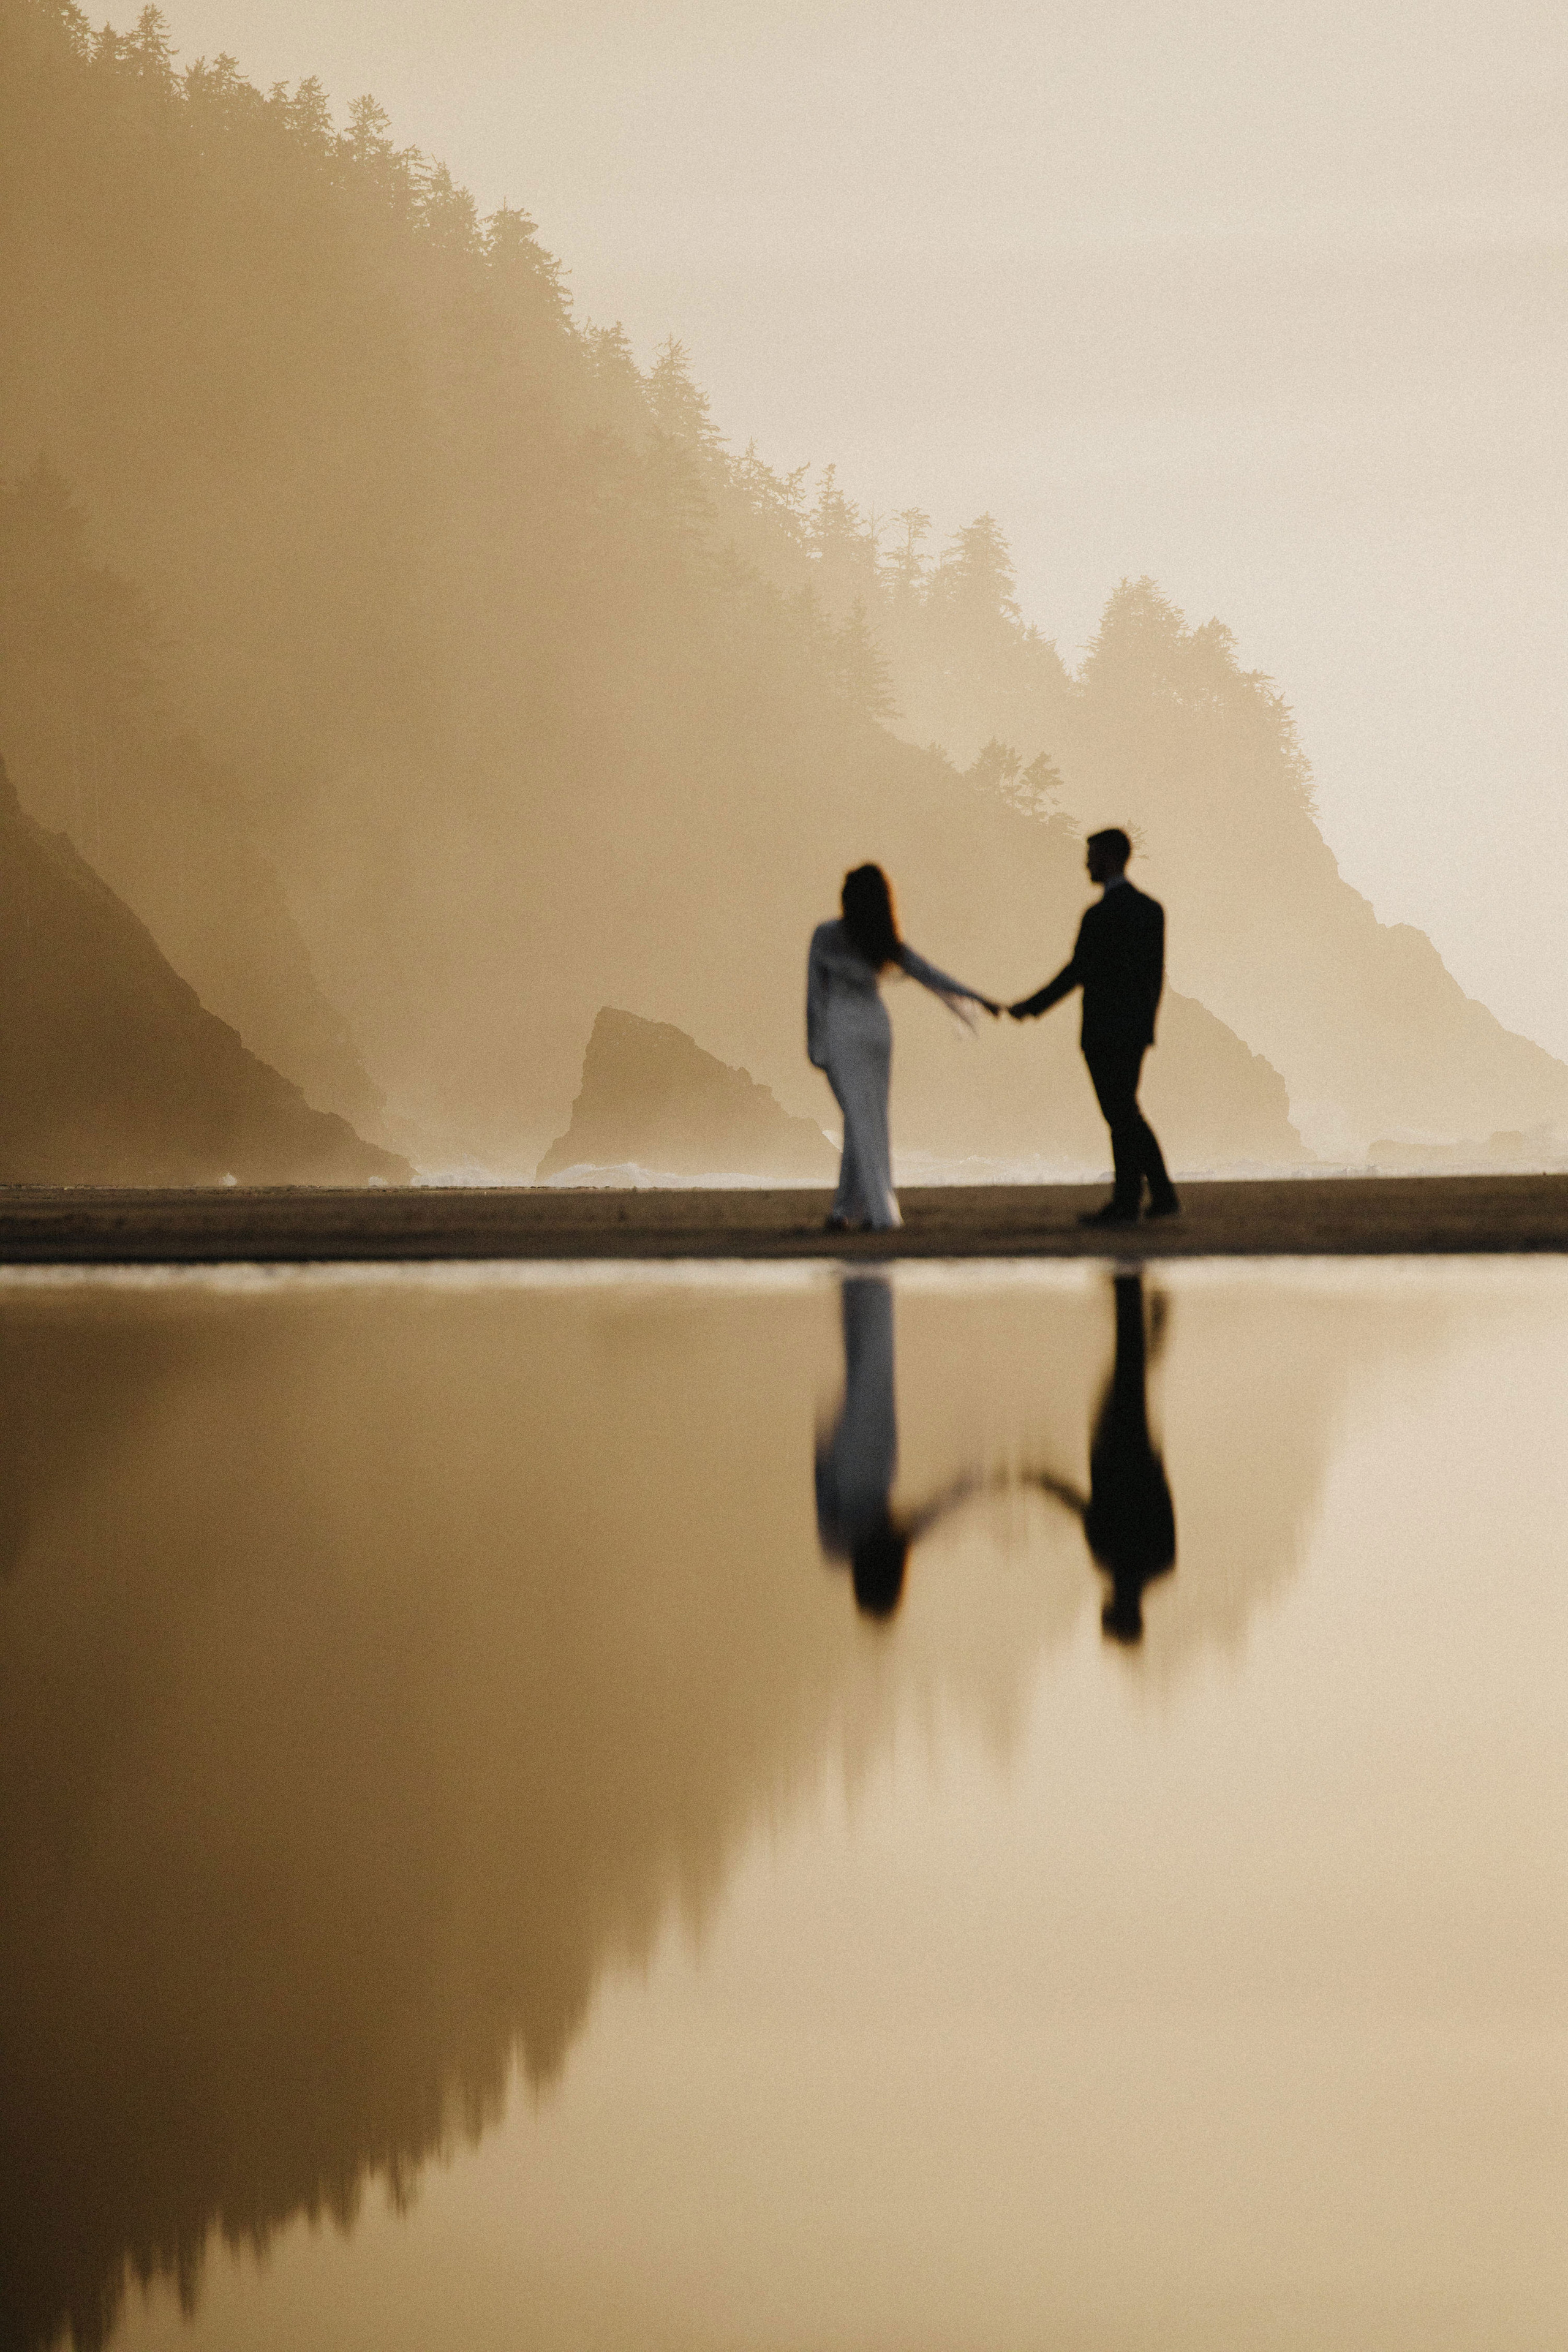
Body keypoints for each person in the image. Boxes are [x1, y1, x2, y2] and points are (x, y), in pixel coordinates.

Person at [807, 864, 999, 1232]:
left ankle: (864, 1211)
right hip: (876, 1027)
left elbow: (815, 996)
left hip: (843, 1028)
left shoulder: (828, 934)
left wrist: (815, 1044)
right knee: (867, 1116)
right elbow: (929, 974)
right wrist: (978, 998)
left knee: (860, 1117)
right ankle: (849, 1209)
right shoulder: (882, 938)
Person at [1009, 828, 1180, 1227]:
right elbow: (1154, 977)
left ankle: (1134, 1200)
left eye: (1092, 856)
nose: (1087, 864)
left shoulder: (1098, 916)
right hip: (1134, 1029)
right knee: (1125, 1112)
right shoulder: (1150, 911)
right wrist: (1147, 1026)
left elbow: (1076, 973)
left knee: (1121, 1114)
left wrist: (1031, 1007)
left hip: (1102, 1030)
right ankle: (1153, 1196)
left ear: (1110, 858)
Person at [815, 1274, 979, 1618]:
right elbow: (918, 1524)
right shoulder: (841, 1546)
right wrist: (962, 1492)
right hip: (861, 1464)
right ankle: (862, 1283)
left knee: (871, 1364)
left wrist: (963, 1491)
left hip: (870, 1466)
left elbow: (917, 1524)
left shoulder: (850, 1543)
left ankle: (868, 1283)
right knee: (867, 1363)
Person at [1028, 1272, 1176, 1644]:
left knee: (1129, 1374)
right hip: (1112, 1451)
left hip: (1139, 1455)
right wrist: (1044, 1482)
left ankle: (1144, 1307)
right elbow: (1082, 1506)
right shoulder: (1109, 1558)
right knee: (1126, 1373)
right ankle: (1132, 1293)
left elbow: (1163, 1502)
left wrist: (1156, 1464)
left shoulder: (1161, 1562)